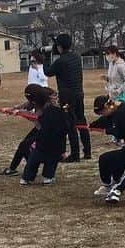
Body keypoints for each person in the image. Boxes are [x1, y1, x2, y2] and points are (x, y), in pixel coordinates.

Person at [44, 33, 91, 162]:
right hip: (79, 93)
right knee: (81, 121)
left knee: (71, 125)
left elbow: (47, 72)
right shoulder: (76, 57)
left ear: (59, 46)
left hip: (67, 96)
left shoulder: (60, 61)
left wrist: (46, 57)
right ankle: (87, 152)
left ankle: (75, 155)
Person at [1, 85, 59, 176]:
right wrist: (11, 109)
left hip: (47, 130)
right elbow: (24, 105)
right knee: (23, 145)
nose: (31, 101)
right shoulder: (35, 99)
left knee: (26, 146)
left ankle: (31, 168)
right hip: (39, 128)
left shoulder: (48, 105)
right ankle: (12, 169)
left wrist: (21, 113)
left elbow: (38, 117)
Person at [18, 84, 69, 186]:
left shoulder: (45, 110)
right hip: (54, 142)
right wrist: (62, 150)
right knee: (51, 161)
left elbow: (39, 123)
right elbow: (64, 130)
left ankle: (26, 178)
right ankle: (48, 177)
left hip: (42, 141)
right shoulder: (60, 112)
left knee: (34, 160)